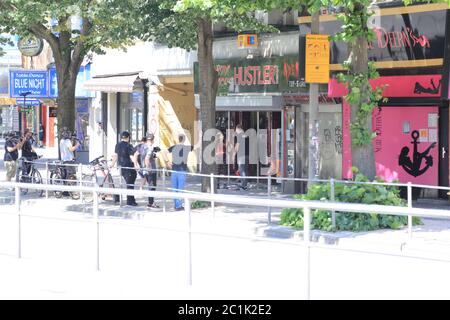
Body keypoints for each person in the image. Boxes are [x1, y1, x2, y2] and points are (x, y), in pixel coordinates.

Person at [164, 134, 193, 211]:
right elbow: (197, 146)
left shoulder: (174, 147)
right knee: (180, 188)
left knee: (174, 188)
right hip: (182, 170)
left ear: (178, 139)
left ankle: (176, 205)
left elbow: (164, 152)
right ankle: (178, 205)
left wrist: (167, 162)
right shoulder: (186, 148)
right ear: (184, 139)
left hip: (174, 170)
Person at [111, 131, 139, 206]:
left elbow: (115, 155)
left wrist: (112, 164)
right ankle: (130, 201)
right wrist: (136, 165)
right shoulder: (128, 146)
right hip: (129, 167)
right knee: (130, 184)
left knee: (129, 184)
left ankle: (132, 200)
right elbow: (132, 156)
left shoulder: (117, 145)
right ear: (128, 137)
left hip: (122, 167)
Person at [144, 133, 161, 208]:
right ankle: (151, 203)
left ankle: (151, 202)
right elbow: (147, 158)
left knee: (150, 186)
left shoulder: (143, 146)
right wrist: (148, 168)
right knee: (152, 186)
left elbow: (137, 154)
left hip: (145, 169)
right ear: (152, 139)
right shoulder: (150, 148)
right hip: (151, 170)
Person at [233, 124, 248, 190]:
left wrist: (234, 153)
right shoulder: (246, 136)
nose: (235, 131)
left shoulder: (239, 135)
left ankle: (243, 185)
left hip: (241, 155)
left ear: (238, 128)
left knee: (242, 170)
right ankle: (245, 183)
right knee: (245, 169)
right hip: (247, 155)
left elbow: (237, 145)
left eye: (236, 129)